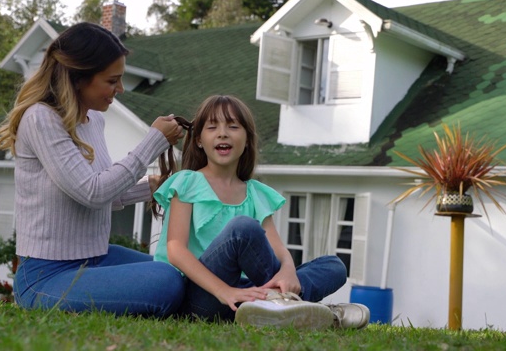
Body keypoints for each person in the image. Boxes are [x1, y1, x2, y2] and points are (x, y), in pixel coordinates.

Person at [0, 22, 186, 317]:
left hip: (96, 258)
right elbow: (92, 192)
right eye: (112, 81)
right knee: (167, 281)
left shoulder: (92, 120)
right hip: (46, 276)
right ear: (79, 78)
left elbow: (103, 191)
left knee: (178, 270)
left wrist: (152, 185)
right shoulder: (40, 119)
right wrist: (154, 141)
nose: (119, 89)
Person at [152, 95, 370, 330]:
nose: (223, 133)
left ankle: (281, 303)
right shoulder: (187, 182)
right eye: (212, 127)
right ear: (199, 141)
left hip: (244, 294)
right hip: (199, 298)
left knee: (334, 266)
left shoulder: (256, 193)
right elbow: (175, 250)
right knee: (242, 228)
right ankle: (304, 308)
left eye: (233, 126)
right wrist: (225, 291)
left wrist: (288, 271)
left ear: (247, 140)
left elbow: (279, 251)